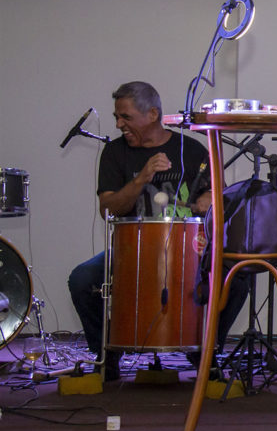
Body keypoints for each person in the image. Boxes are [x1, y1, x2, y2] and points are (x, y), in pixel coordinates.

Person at [67, 81, 239, 379]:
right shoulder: (115, 153)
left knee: (237, 279)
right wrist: (141, 178)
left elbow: (220, 198)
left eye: (126, 117)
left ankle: (206, 349)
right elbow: (108, 210)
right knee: (82, 279)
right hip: (131, 251)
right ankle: (107, 353)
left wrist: (210, 198)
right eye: (117, 117)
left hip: (190, 251)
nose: (119, 124)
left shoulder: (191, 150)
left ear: (153, 114)